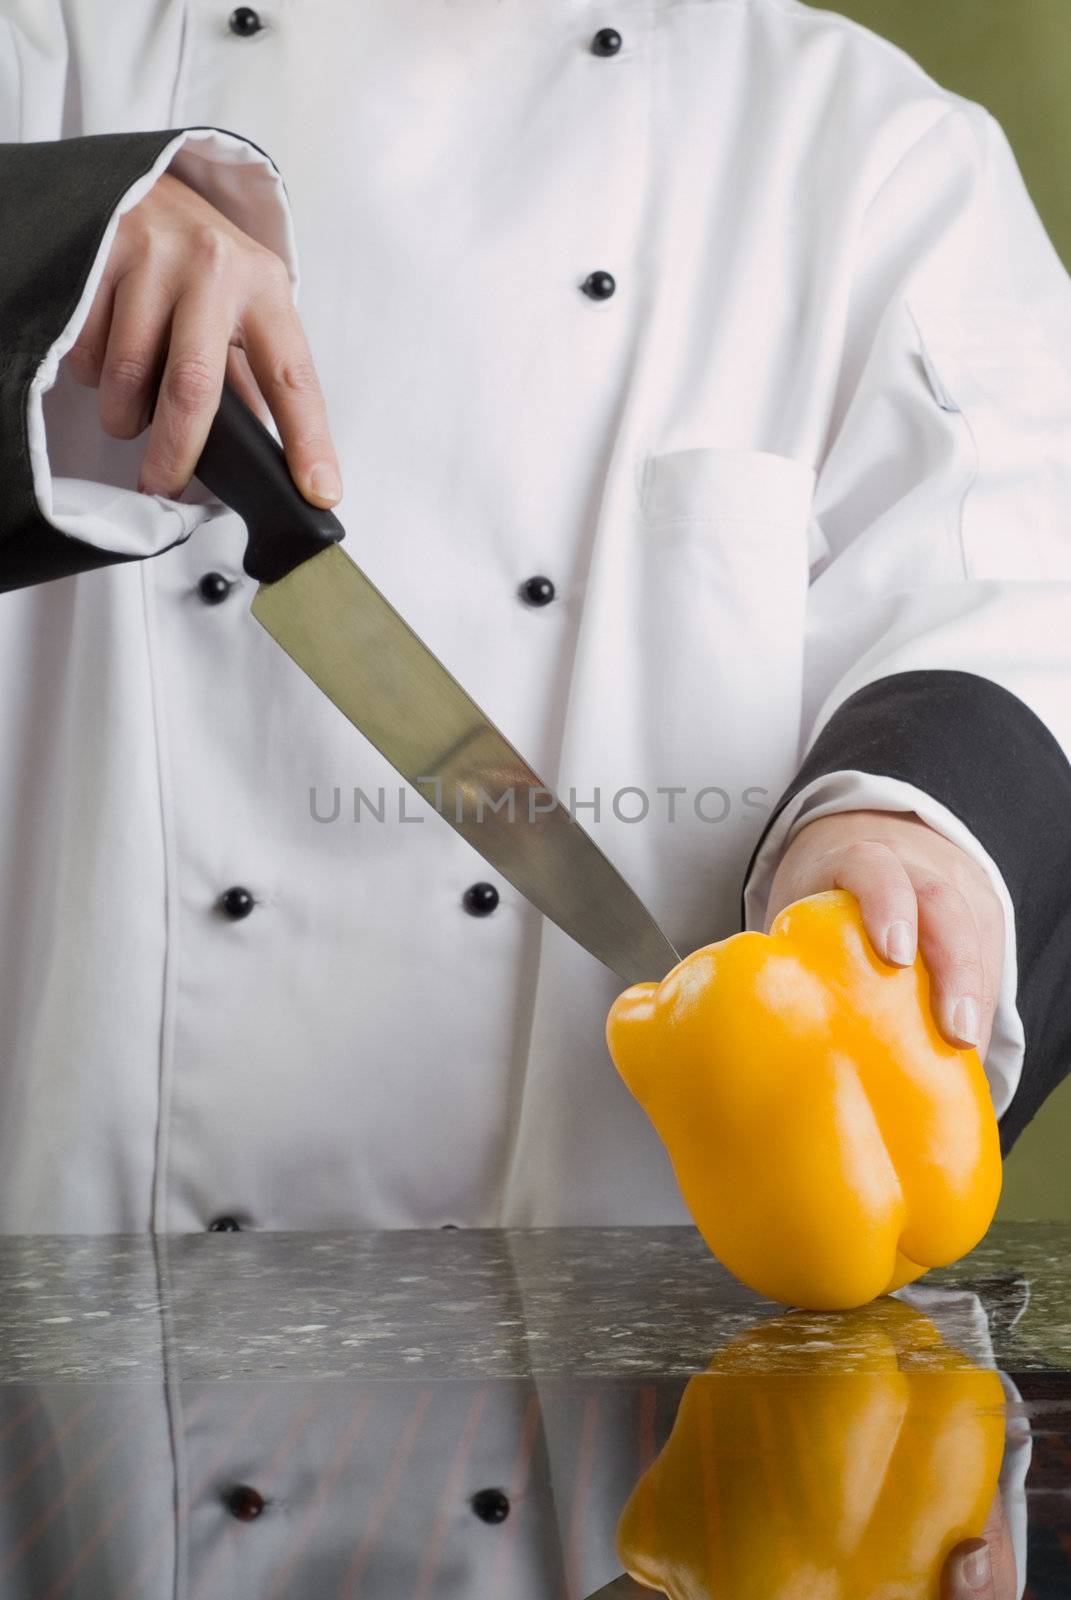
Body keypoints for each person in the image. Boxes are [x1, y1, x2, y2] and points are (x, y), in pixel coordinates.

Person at [1, 2, 1069, 1250]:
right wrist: (43, 233)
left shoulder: (872, 149)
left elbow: (1024, 572)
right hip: (82, 1301)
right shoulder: (47, 54)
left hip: (654, 1348)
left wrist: (919, 825)